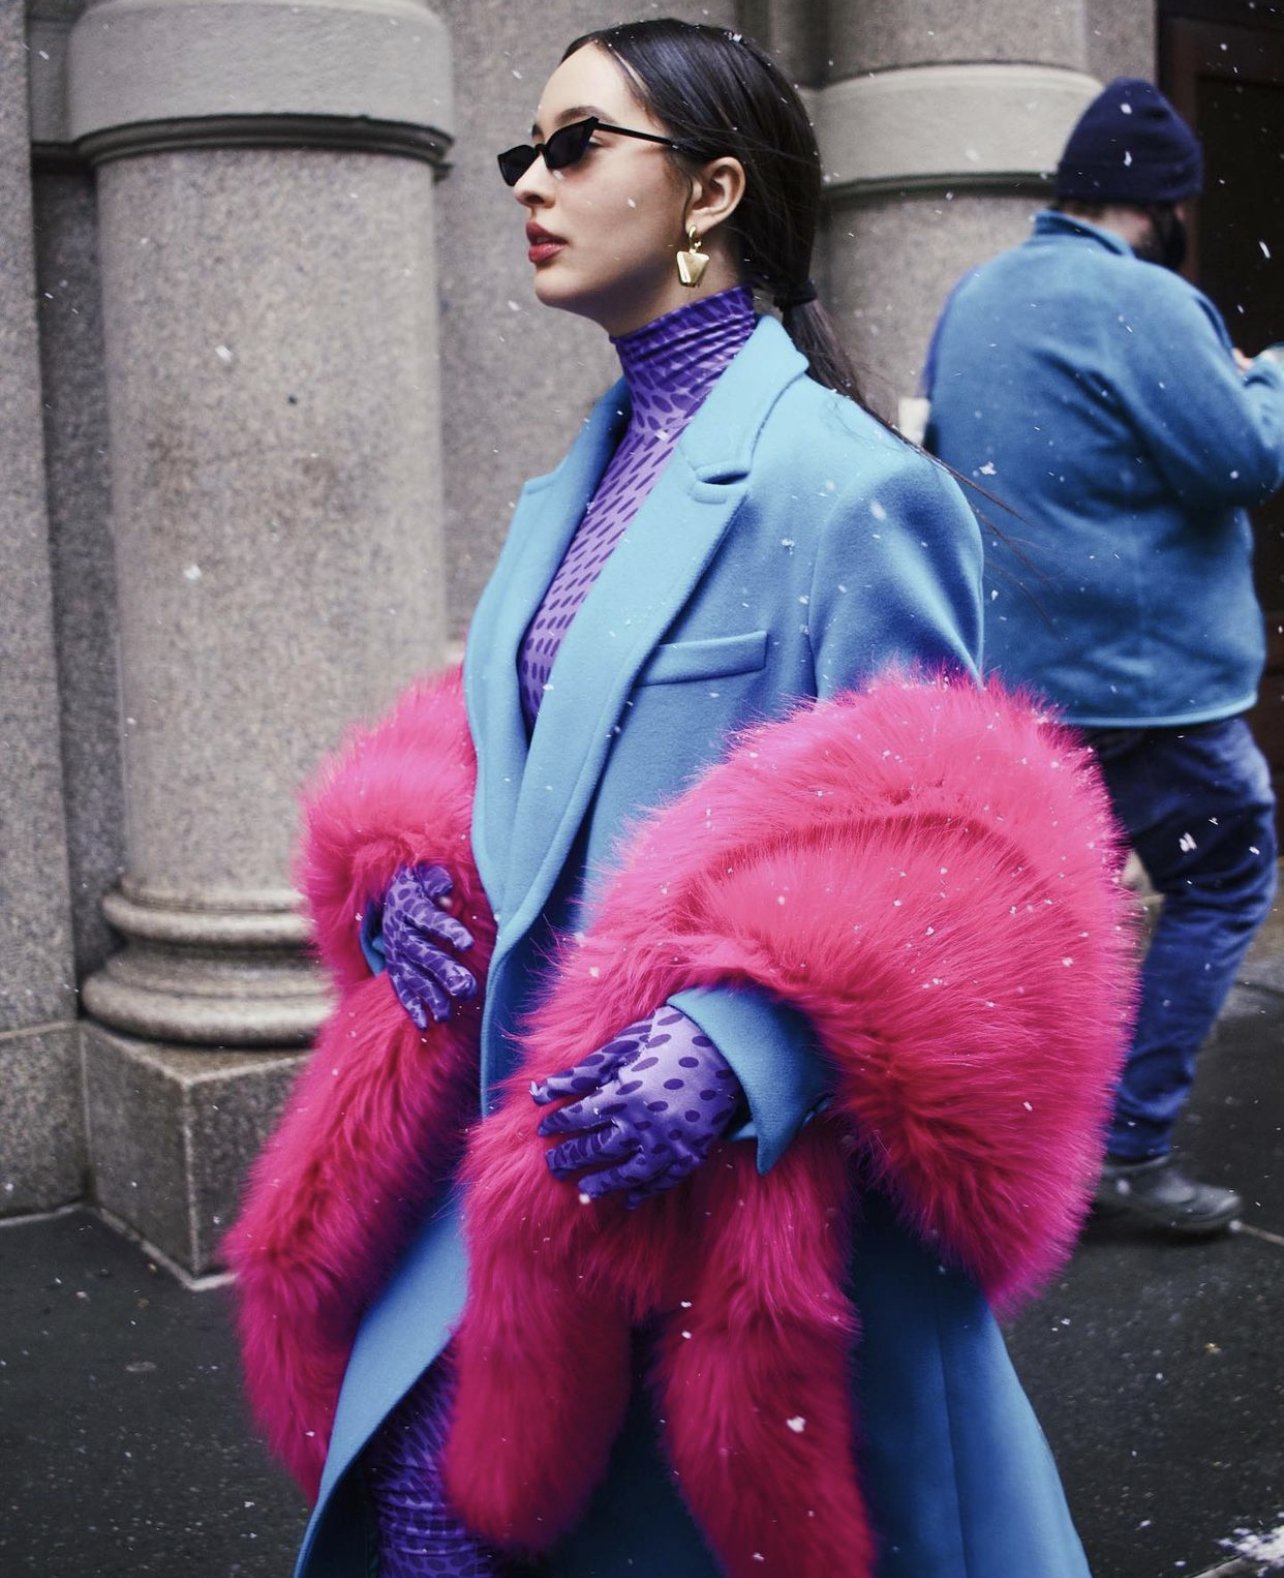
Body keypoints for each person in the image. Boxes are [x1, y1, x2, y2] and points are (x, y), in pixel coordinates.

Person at [226, 21, 1131, 1578]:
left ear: (713, 192)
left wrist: (745, 1042)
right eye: (527, 147)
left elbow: (956, 863)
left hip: (712, 1232)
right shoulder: (583, 469)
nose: (532, 181)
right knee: (420, 1514)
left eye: (578, 145)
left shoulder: (848, 489)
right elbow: (524, 734)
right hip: (514, 1160)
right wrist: (403, 866)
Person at [923, 76, 1284, 1238]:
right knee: (1226, 874)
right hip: (1146, 687)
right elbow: (1246, 463)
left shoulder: (976, 295)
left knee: (1047, 911)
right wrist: (1271, 372)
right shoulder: (1148, 302)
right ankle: (1126, 1149)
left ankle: (991, 1153)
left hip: (1019, 682)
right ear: (1166, 205)